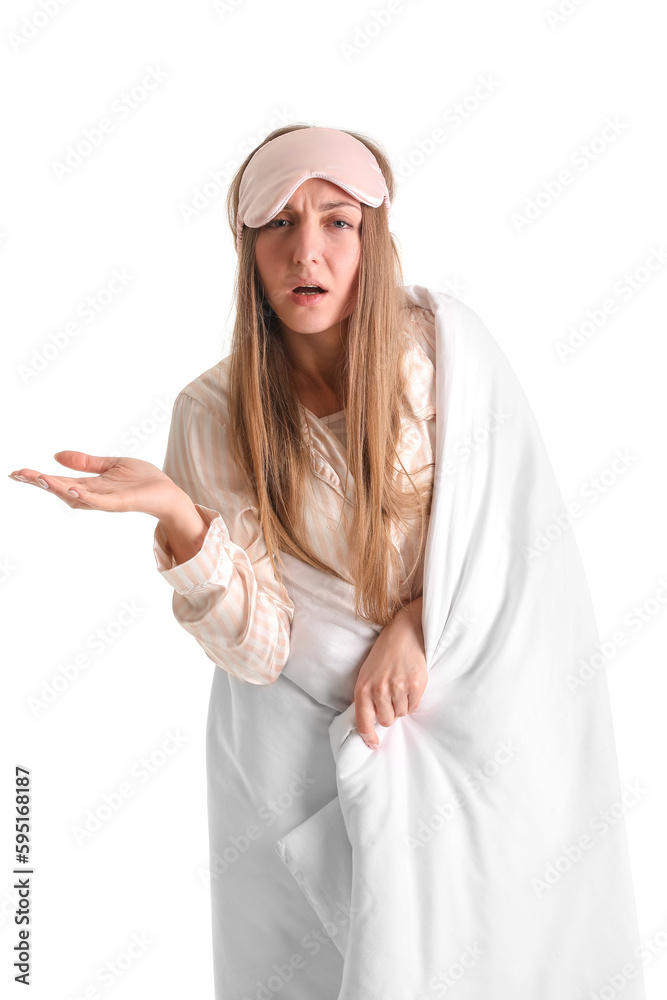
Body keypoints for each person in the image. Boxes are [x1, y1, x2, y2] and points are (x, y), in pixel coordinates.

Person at [9, 125, 646, 1000]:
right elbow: (261, 650)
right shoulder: (209, 411)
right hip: (299, 757)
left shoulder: (444, 351)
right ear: (246, 248)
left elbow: (516, 543)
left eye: (336, 221)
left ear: (372, 236)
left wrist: (422, 624)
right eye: (278, 224)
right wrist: (180, 517)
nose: (306, 251)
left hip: (480, 724)